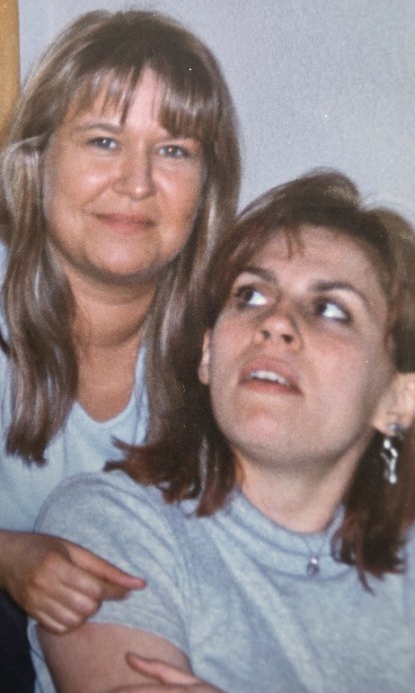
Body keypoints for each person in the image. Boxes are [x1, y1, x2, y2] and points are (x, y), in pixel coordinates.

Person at [29, 169, 415, 692]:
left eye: (329, 309)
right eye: (251, 296)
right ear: (209, 354)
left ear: (397, 399)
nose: (276, 322)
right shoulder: (112, 524)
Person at [0, 8, 240, 691]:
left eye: (174, 151)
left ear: (206, 187)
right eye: (103, 141)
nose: (137, 182)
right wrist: (7, 556)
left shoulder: (235, 337)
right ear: (36, 160)